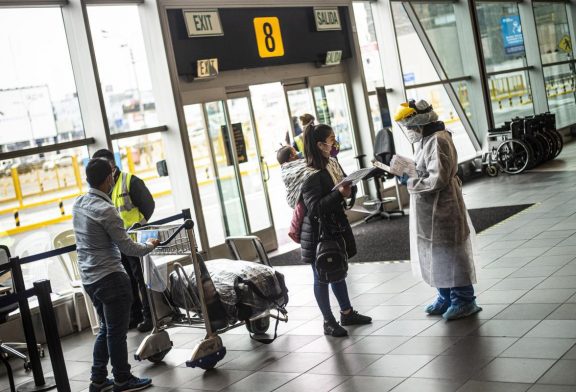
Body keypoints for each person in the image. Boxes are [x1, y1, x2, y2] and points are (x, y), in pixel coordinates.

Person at [72, 158, 158, 392]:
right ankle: (122, 378)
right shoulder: (106, 210)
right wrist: (150, 245)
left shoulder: (78, 204)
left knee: (106, 329)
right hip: (111, 278)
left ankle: (98, 379)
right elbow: (128, 248)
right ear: (109, 179)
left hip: (90, 279)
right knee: (117, 333)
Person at [393, 99, 482, 320]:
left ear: (420, 121)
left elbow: (438, 178)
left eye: (410, 126)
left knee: (452, 252)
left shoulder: (439, 140)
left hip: (444, 206)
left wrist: (411, 182)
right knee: (435, 253)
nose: (410, 131)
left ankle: (463, 299)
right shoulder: (427, 139)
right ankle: (444, 295)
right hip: (428, 208)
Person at [299, 123, 372, 337]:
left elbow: (342, 184)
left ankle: (347, 313)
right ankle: (328, 322)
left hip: (333, 228)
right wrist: (340, 193)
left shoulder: (332, 162)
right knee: (321, 276)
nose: (334, 143)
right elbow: (315, 208)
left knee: (337, 270)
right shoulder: (310, 174)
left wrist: (350, 187)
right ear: (320, 144)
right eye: (331, 139)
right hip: (317, 233)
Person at [92, 149, 155, 332]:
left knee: (141, 279)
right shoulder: (104, 187)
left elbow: (149, 205)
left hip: (135, 239)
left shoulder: (130, 181)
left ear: (112, 165)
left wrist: (138, 226)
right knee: (128, 281)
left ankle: (149, 317)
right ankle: (135, 316)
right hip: (118, 243)